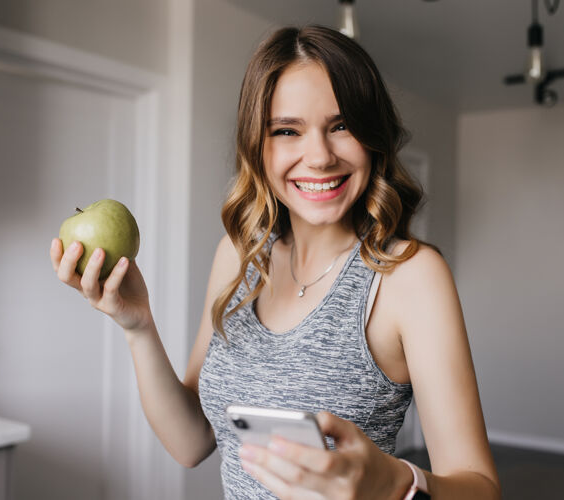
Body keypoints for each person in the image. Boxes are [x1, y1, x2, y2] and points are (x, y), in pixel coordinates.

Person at [50, 25, 500, 500]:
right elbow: (191, 442)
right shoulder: (240, 256)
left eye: (341, 125)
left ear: (373, 136)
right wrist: (137, 324)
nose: (320, 156)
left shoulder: (409, 277)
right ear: (257, 146)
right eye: (287, 130)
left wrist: (395, 484)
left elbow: (483, 489)